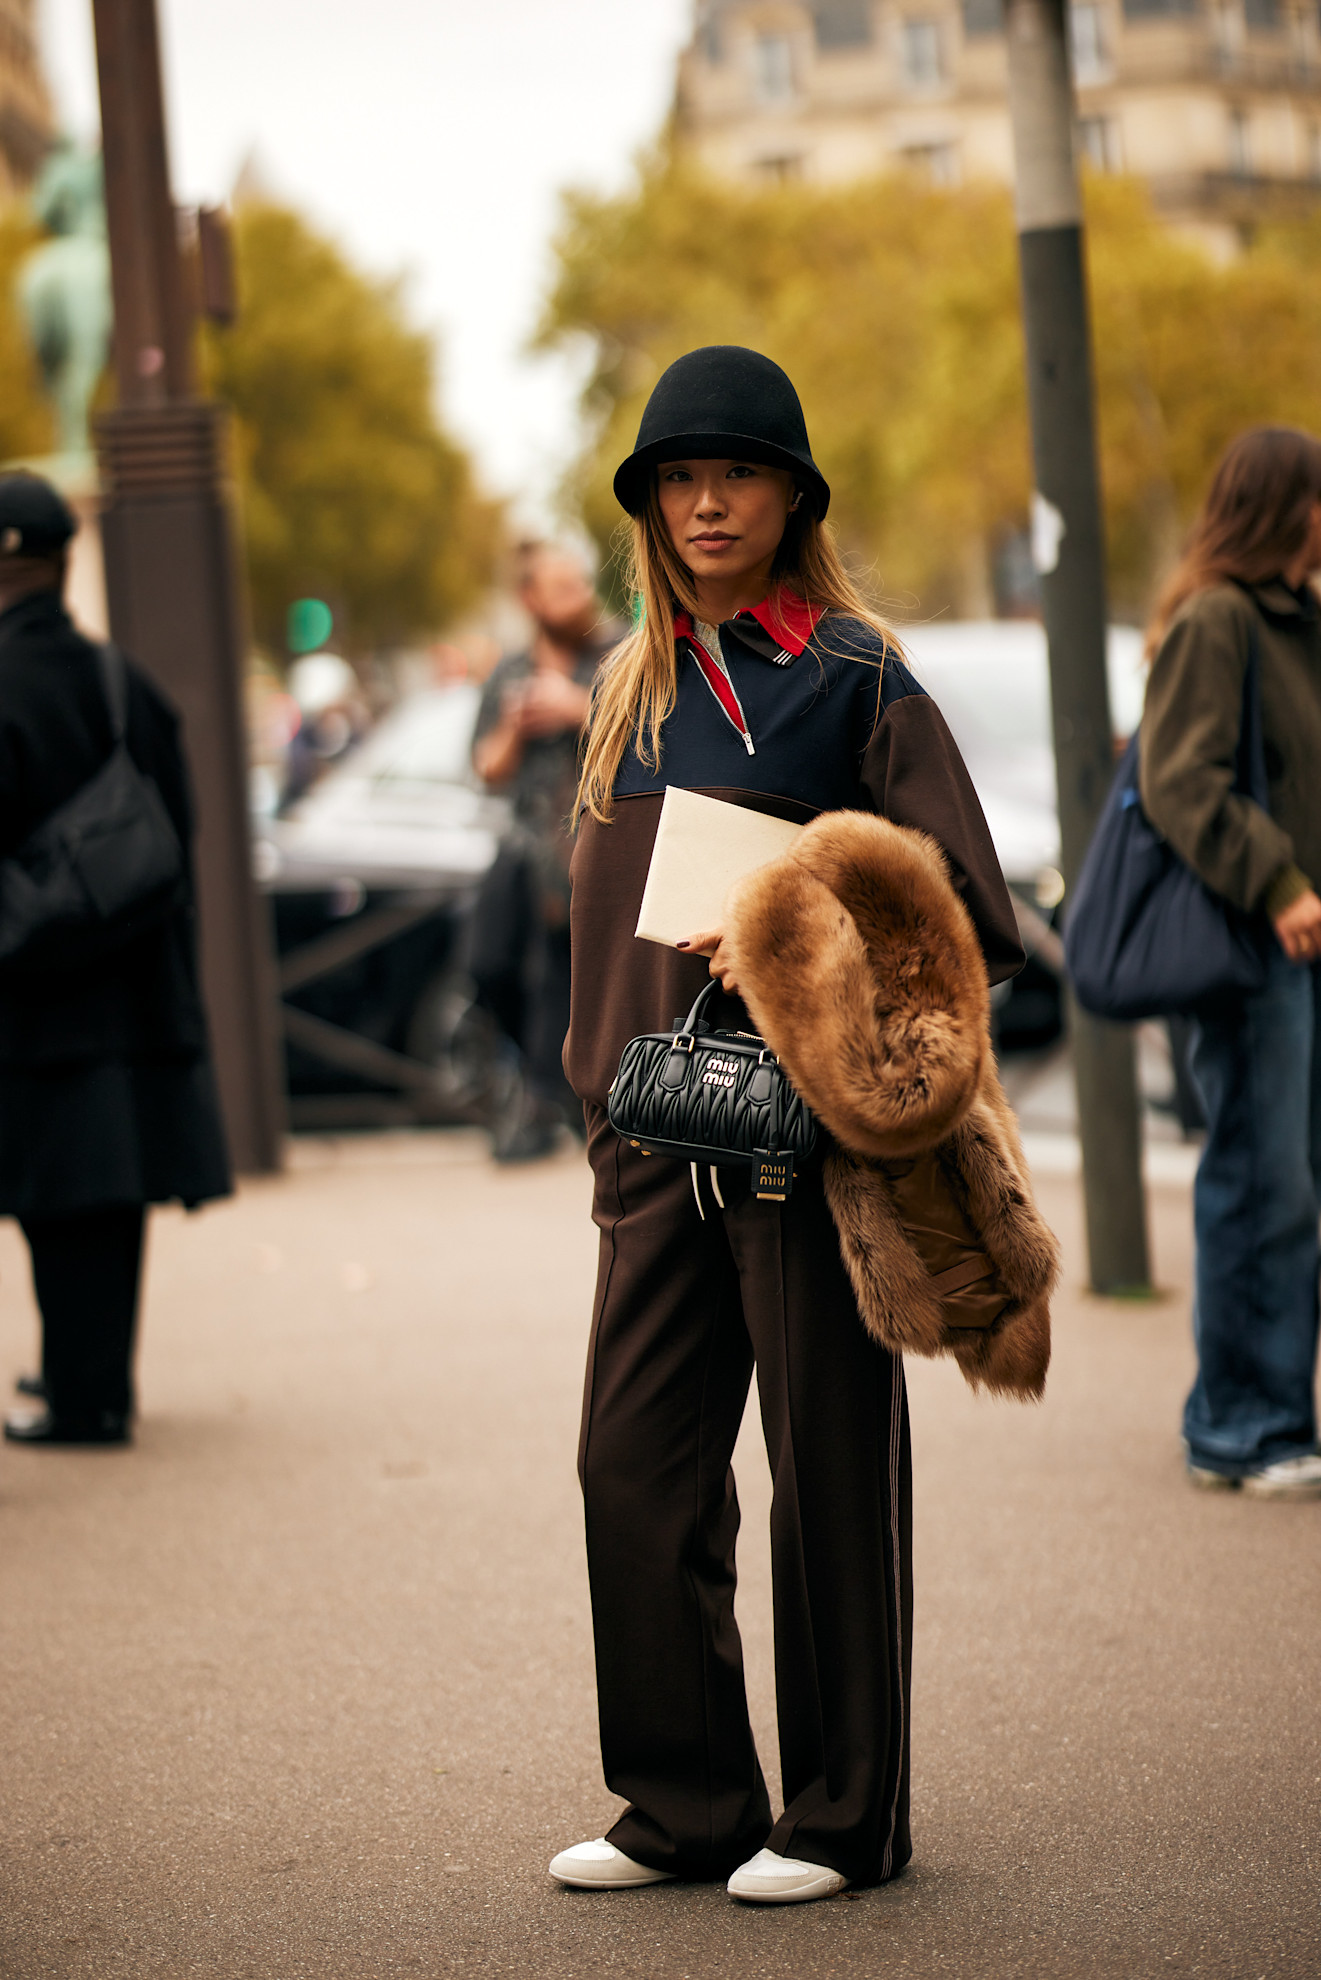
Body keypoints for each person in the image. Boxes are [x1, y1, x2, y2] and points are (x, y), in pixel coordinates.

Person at [548, 347, 1026, 1903]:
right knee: (631, 1469)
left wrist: (791, 911)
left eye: (737, 473)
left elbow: (968, 918)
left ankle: (841, 1819)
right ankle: (684, 1804)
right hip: (650, 1143)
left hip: (808, 1149)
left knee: (829, 1477)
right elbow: (594, 931)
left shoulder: (859, 678)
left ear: (792, 497)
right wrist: (594, 1099)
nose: (706, 501)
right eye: (679, 477)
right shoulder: (628, 690)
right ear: (649, 506)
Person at [0, 472, 230, 1447]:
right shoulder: (120, 681)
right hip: (127, 993)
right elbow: (178, 835)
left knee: (51, 1201)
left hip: (28, 995)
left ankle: (84, 1397)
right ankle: (88, 1375)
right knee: (105, 1197)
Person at [1140, 425, 1321, 1501]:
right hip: (1253, 947)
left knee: (1292, 1179)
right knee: (1262, 1182)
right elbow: (1179, 779)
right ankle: (1239, 1425)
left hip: (1300, 946)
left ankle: (1269, 1409)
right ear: (1289, 509)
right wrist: (1277, 880)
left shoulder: (1297, 621)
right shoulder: (1217, 620)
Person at [470, 546, 611, 1161]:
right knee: (489, 960)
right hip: (525, 850)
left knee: (567, 978)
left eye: (579, 584)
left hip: (595, 845)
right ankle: (541, 1090)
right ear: (530, 599)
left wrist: (576, 707)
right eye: (561, 588)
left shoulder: (615, 653)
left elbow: (653, 730)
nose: (577, 597)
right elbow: (486, 767)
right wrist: (516, 724)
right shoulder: (511, 670)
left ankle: (554, 1102)